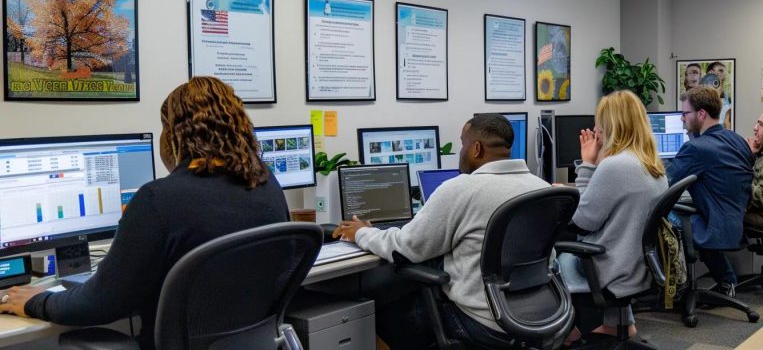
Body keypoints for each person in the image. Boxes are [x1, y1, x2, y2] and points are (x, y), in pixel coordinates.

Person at [0, 77, 290, 350]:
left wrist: (39, 301)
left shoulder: (159, 199)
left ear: (176, 134)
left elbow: (100, 303)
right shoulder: (266, 183)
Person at [332, 114, 549, 349]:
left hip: (483, 320)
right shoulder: (541, 187)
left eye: (462, 143)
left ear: (476, 149)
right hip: (539, 313)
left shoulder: (461, 189)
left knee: (383, 309)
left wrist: (361, 233)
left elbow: (407, 247)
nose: (461, 150)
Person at [556, 90, 668, 339]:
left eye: (599, 127)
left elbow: (583, 221)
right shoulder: (651, 163)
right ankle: (619, 324)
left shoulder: (615, 165)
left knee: (554, 258)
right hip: (638, 265)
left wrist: (587, 164)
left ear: (611, 126)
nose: (596, 131)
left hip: (612, 268)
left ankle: (568, 332)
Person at [666, 86, 754, 297]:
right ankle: (726, 280)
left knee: (656, 212)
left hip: (712, 227)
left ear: (701, 114)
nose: (682, 119)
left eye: (685, 114)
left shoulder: (696, 148)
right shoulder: (738, 140)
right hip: (734, 224)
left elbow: (665, 185)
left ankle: (669, 288)